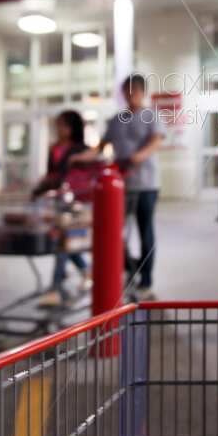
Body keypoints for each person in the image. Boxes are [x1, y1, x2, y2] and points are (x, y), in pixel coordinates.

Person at [72, 74, 164, 300]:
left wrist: (138, 156)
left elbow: (156, 141)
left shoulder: (152, 116)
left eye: (134, 91)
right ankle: (130, 270)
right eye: (126, 91)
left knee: (145, 231)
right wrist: (81, 158)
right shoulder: (116, 120)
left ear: (143, 92)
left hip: (146, 184)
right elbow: (101, 147)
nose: (129, 95)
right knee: (115, 231)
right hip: (120, 186)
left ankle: (146, 280)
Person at [32, 110, 91, 306]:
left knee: (63, 244)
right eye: (57, 124)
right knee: (65, 243)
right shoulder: (53, 148)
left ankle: (54, 288)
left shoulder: (81, 150)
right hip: (58, 202)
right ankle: (87, 270)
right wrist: (38, 189)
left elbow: (80, 177)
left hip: (74, 204)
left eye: (63, 125)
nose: (59, 128)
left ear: (72, 127)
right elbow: (52, 176)